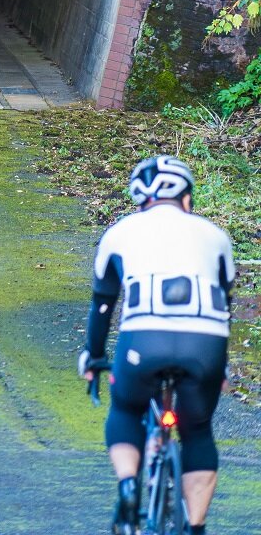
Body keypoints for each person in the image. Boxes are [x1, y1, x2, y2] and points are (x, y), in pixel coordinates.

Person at [77, 154, 235, 535]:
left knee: (126, 409)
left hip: (143, 341)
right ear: (186, 197)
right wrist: (221, 366)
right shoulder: (216, 236)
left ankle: (129, 486)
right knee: (197, 430)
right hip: (205, 344)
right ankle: (195, 526)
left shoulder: (119, 234)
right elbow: (224, 304)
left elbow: (103, 305)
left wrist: (94, 357)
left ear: (140, 199)